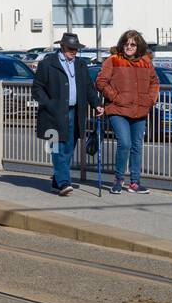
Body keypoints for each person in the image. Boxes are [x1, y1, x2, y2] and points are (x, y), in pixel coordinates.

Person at [33, 32, 103, 196]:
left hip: (75, 111)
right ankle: (64, 182)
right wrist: (49, 104)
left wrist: (97, 104)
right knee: (57, 147)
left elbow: (88, 87)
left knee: (69, 148)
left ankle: (57, 183)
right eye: (71, 48)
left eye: (76, 49)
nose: (74, 51)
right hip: (54, 113)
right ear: (62, 47)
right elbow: (37, 88)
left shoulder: (80, 65)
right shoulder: (48, 63)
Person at [96, 29, 160, 195]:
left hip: (140, 109)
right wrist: (115, 97)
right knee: (125, 143)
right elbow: (101, 82)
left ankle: (135, 182)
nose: (129, 46)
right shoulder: (113, 60)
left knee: (137, 145)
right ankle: (118, 179)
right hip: (118, 109)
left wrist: (150, 100)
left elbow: (154, 82)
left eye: (133, 44)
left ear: (138, 46)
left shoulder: (146, 62)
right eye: (126, 43)